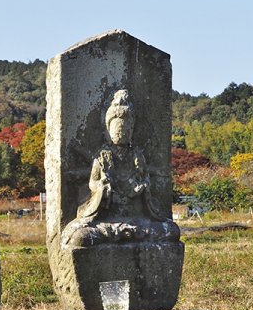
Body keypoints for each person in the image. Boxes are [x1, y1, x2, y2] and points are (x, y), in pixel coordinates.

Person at [61, 89, 180, 247]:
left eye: (125, 129)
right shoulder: (102, 156)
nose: (121, 132)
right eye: (117, 129)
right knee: (80, 236)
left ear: (131, 130)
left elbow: (146, 181)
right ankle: (122, 234)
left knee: (171, 231)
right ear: (108, 130)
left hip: (136, 217)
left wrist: (142, 187)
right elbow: (92, 182)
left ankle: (128, 233)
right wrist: (101, 187)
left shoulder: (137, 156)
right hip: (106, 217)